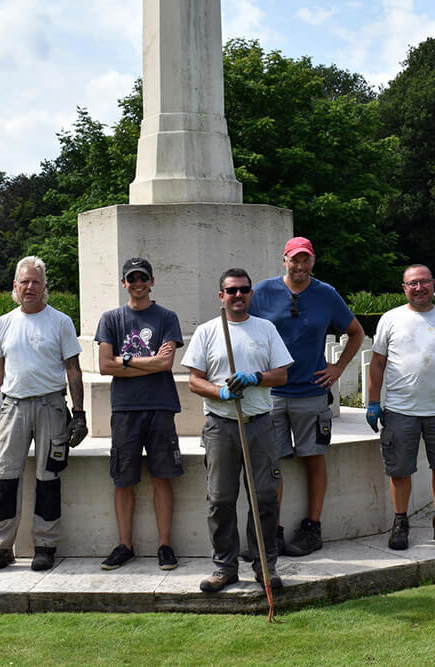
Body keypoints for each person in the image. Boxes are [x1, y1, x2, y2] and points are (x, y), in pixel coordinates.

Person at [0, 256, 87, 576]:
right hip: (13, 407)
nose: (29, 287)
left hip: (51, 407)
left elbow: (73, 370)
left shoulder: (60, 322)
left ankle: (45, 545)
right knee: (3, 478)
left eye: (35, 281)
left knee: (48, 478)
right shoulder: (4, 323)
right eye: (24, 281)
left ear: (45, 287)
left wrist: (79, 414)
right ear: (15, 287)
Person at [248, 236, 365, 557]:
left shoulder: (326, 294)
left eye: (306, 260)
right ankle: (272, 530)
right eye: (294, 259)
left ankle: (312, 528)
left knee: (314, 458)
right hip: (271, 393)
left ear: (312, 262)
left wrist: (338, 367)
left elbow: (356, 332)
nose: (300, 266)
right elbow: (242, 327)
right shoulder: (262, 292)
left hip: (311, 393)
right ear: (283, 260)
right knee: (273, 464)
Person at [182, 269, 293, 593]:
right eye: (231, 291)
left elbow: (282, 375)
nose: (238, 295)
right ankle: (224, 567)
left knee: (264, 498)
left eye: (244, 290)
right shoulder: (207, 332)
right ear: (221, 296)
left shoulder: (265, 329)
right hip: (220, 426)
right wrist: (221, 392)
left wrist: (255, 378)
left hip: (259, 424)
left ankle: (264, 566)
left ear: (251, 294)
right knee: (220, 499)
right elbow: (193, 380)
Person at [366, 264, 435, 550]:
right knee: (400, 470)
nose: (418, 288)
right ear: (404, 288)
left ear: (433, 284)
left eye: (423, 282)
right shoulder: (391, 319)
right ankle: (400, 523)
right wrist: (374, 401)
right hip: (401, 409)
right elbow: (377, 363)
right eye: (412, 283)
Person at [95, 258, 183, 571]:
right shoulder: (111, 319)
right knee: (123, 479)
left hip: (160, 406)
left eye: (143, 278)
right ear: (124, 283)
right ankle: (125, 545)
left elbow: (166, 364)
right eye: (131, 279)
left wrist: (125, 361)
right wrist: (143, 362)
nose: (137, 284)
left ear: (152, 281)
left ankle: (164, 545)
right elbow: (105, 365)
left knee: (162, 476)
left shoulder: (166, 317)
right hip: (124, 410)